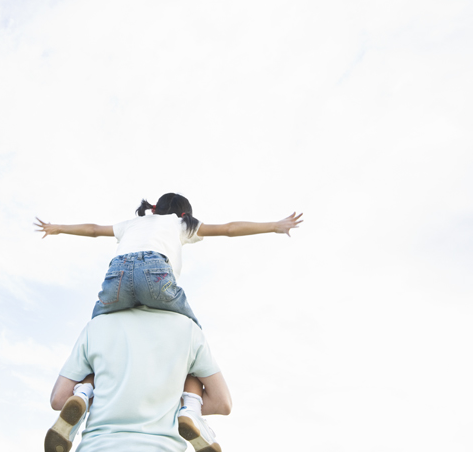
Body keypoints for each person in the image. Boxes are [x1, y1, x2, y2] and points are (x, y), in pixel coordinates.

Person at [36, 192, 302, 448]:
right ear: (183, 212)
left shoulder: (134, 223)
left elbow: (94, 229)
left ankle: (83, 394)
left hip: (116, 279)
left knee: (97, 339)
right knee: (191, 339)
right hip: (156, 276)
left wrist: (57, 227)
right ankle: (192, 407)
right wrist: (274, 226)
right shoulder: (181, 223)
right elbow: (230, 228)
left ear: (155, 208)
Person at [45, 306, 232, 452]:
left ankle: (84, 393)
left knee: (96, 369)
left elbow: (59, 399)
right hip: (162, 447)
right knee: (192, 371)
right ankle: (191, 409)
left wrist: (108, 394)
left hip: (96, 446)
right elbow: (222, 403)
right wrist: (167, 402)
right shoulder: (188, 328)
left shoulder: (96, 325)